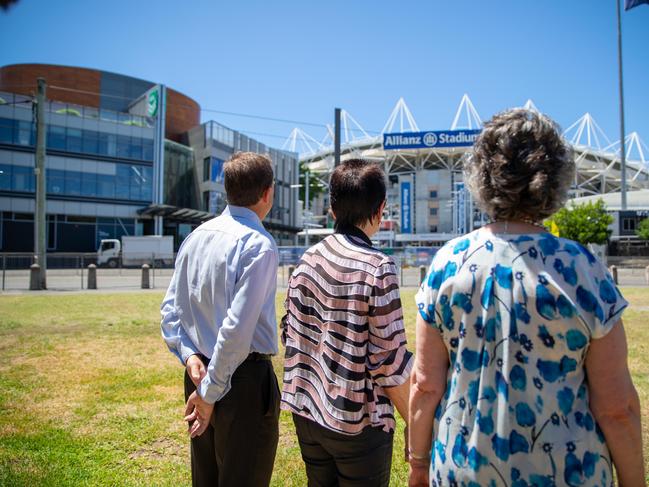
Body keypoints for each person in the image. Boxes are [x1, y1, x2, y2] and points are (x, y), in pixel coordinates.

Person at [409, 109, 644, 487]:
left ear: (481, 175)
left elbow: (425, 384)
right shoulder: (580, 267)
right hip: (566, 472)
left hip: (462, 468)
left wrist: (418, 462)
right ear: (553, 178)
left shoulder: (447, 263)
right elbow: (616, 407)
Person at [281, 158, 413, 487]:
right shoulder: (377, 267)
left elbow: (289, 330)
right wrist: (415, 419)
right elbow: (389, 360)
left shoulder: (307, 259)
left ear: (332, 208)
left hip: (308, 411)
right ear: (381, 209)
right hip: (358, 422)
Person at [161, 151, 280, 487]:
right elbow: (237, 331)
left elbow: (170, 313)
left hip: (198, 374)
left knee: (206, 478)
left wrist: (189, 357)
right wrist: (211, 393)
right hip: (239, 381)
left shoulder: (195, 237)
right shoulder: (259, 245)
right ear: (267, 193)